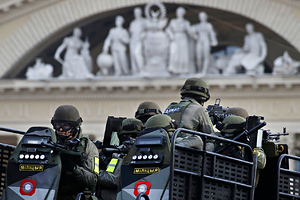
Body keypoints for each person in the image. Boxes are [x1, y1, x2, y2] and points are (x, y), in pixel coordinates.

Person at [51, 105, 99, 200]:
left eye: (66, 126)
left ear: (75, 127)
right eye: (58, 125)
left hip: (77, 196)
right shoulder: (50, 142)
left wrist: (73, 167)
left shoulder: (88, 147)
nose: (61, 129)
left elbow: (93, 181)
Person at [96, 118, 143, 200]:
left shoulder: (121, 155)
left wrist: (95, 172)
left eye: (134, 137)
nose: (131, 141)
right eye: (127, 137)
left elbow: (112, 179)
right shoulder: (148, 152)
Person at [166, 7, 191, 75]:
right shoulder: (173, 21)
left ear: (183, 14)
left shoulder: (186, 22)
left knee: (183, 53)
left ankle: (183, 69)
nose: (179, 14)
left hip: (183, 38)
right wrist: (171, 35)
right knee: (174, 52)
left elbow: (190, 31)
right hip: (175, 37)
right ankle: (173, 68)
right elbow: (168, 29)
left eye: (180, 12)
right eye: (178, 12)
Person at [129, 7, 146, 75]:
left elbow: (147, 30)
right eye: (135, 13)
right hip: (133, 40)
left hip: (140, 40)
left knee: (137, 53)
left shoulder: (143, 21)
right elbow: (131, 32)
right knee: (133, 55)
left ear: (140, 13)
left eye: (138, 13)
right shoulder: (133, 23)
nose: (137, 14)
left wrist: (143, 35)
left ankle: (142, 70)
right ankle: (135, 71)